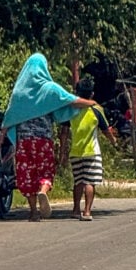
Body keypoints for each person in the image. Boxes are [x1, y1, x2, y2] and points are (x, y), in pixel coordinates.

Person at [1, 54, 99, 221]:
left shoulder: (19, 91)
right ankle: (43, 191)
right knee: (45, 171)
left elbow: (10, 115)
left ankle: (33, 212)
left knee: (27, 174)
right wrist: (92, 103)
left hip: (24, 141)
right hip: (44, 140)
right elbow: (71, 101)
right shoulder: (49, 88)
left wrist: (2, 134)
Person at [58, 75, 117, 222]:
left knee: (78, 181)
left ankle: (75, 209)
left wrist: (62, 151)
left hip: (75, 151)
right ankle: (87, 211)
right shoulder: (96, 109)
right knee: (90, 182)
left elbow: (64, 132)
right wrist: (113, 141)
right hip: (92, 151)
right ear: (92, 94)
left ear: (76, 93)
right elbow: (105, 129)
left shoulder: (71, 109)